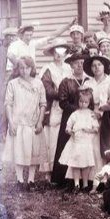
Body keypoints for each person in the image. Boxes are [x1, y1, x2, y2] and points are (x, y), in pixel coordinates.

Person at [3, 57, 49, 190]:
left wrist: (40, 121)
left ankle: (31, 180)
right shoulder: (13, 84)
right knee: (19, 151)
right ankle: (19, 179)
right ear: (18, 69)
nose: (24, 71)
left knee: (33, 152)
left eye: (27, 68)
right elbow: (8, 104)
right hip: (18, 123)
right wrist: (11, 122)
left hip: (33, 123)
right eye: (21, 68)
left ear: (32, 68)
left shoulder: (38, 83)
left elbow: (43, 104)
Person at [52, 51, 91, 185]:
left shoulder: (89, 80)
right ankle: (63, 179)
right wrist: (78, 110)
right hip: (70, 117)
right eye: (76, 63)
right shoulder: (66, 81)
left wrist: (86, 112)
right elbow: (63, 102)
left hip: (86, 118)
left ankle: (84, 179)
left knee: (84, 146)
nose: (80, 66)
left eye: (82, 63)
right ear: (71, 66)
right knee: (67, 146)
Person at [39, 41, 72, 177]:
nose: (59, 56)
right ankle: (49, 171)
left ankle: (62, 170)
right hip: (53, 106)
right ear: (53, 54)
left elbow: (72, 85)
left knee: (64, 134)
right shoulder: (48, 68)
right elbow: (47, 89)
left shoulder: (68, 68)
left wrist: (67, 95)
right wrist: (62, 94)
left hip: (66, 106)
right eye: (56, 53)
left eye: (62, 53)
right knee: (52, 138)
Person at [58, 86, 99, 192]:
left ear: (89, 103)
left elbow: (96, 128)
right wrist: (69, 130)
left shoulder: (91, 114)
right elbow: (68, 126)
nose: (83, 104)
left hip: (86, 143)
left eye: (85, 102)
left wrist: (89, 130)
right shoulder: (75, 114)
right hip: (76, 142)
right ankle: (76, 184)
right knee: (75, 164)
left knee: (85, 164)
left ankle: (85, 184)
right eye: (81, 101)